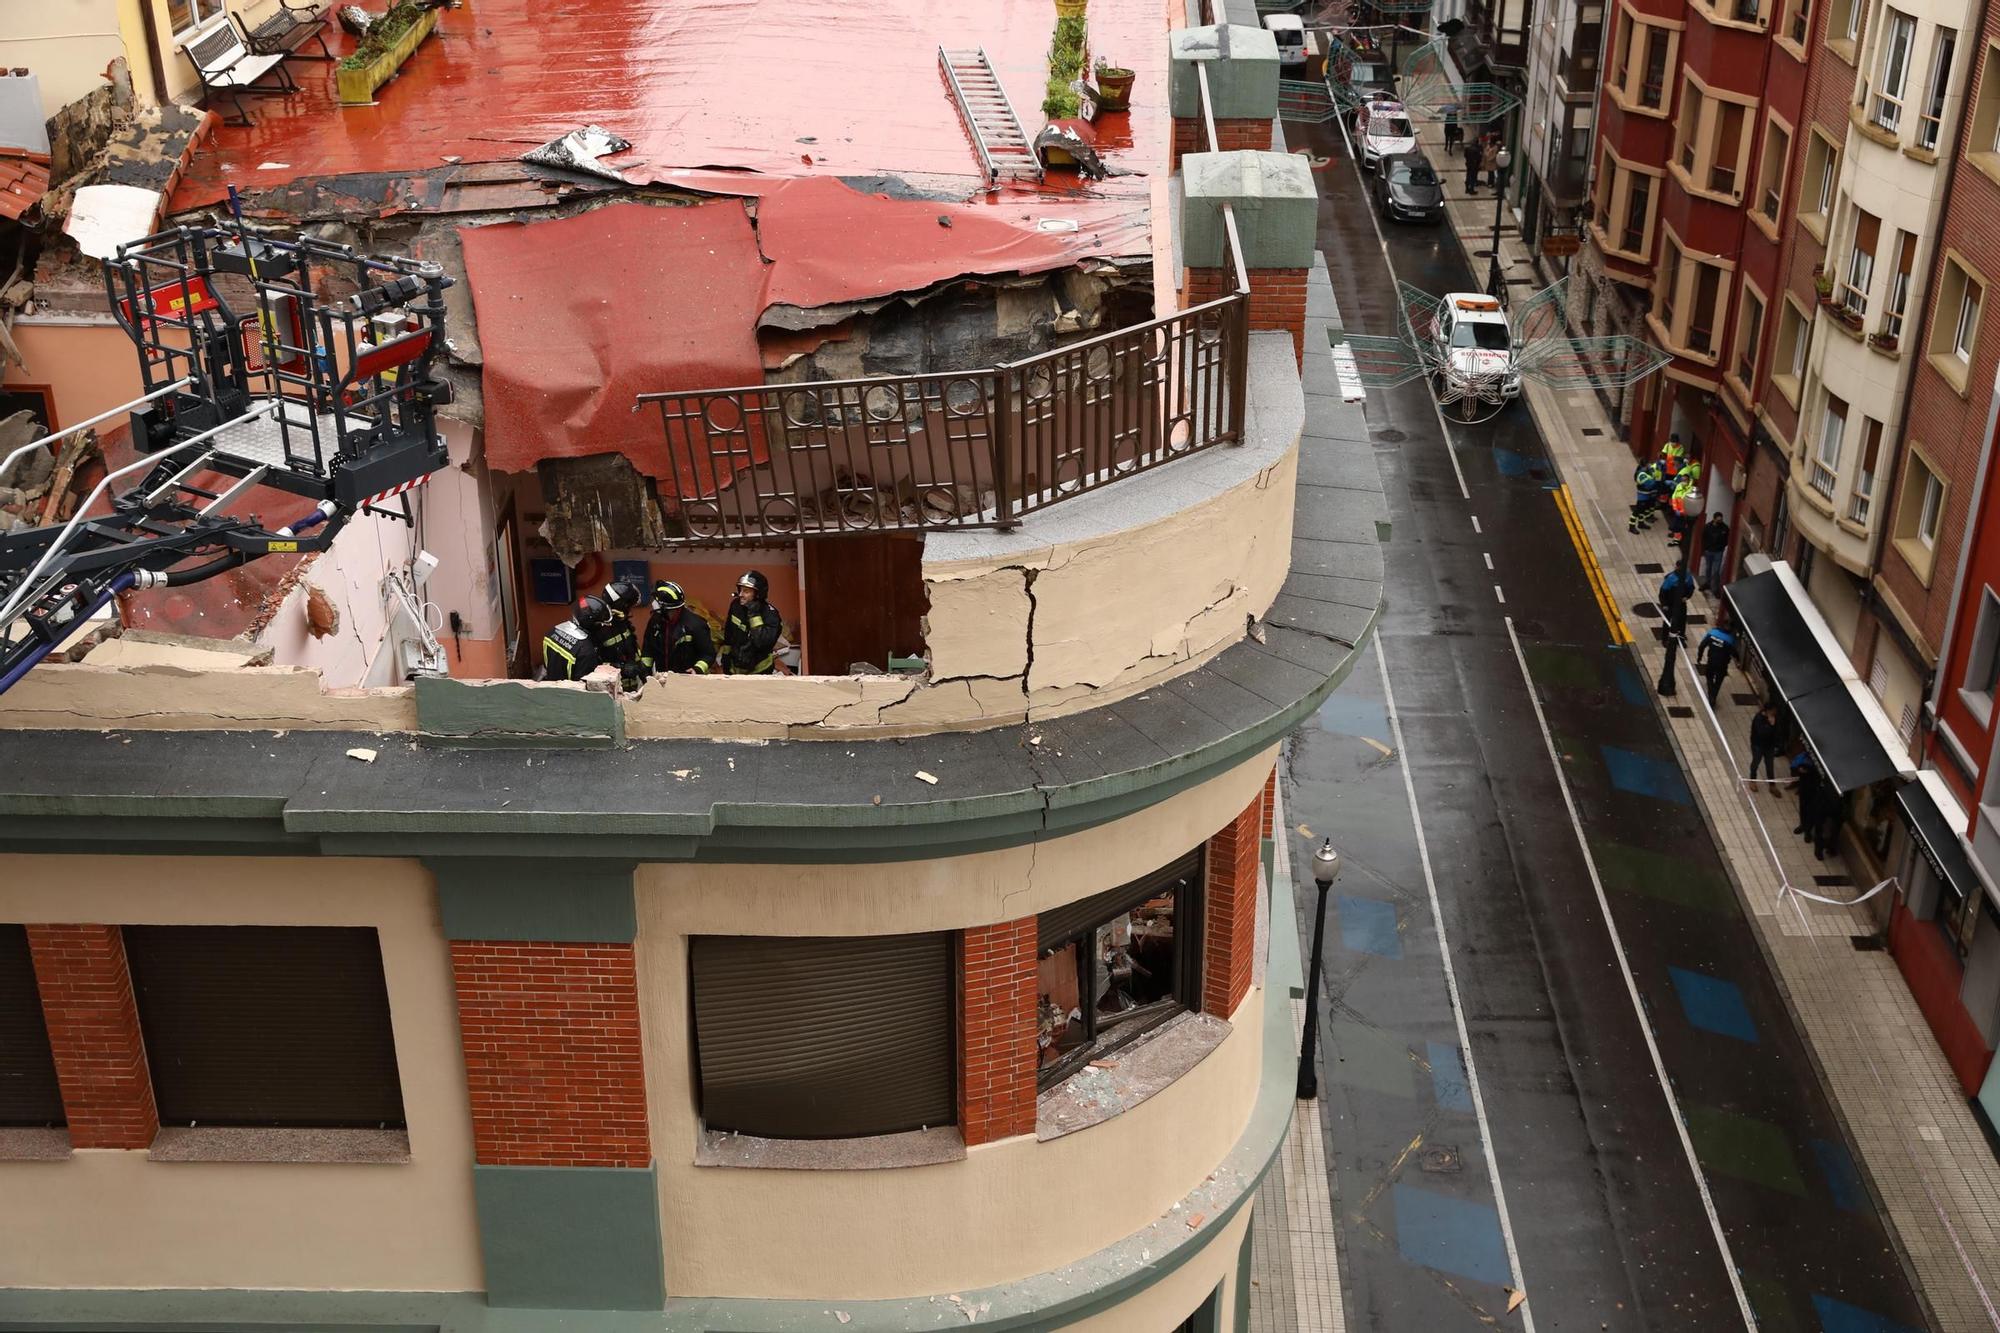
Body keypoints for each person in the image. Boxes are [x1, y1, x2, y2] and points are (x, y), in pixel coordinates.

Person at [640, 579, 715, 675]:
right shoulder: (655, 622)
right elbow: (648, 649)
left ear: (667, 609)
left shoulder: (696, 625)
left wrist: (697, 669)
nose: (653, 606)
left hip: (687, 681)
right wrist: (645, 670)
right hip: (663, 679)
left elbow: (708, 654)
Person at [540, 593, 618, 683]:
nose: (604, 628)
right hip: (569, 694)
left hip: (550, 687)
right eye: (602, 624)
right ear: (590, 623)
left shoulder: (553, 632)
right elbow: (584, 687)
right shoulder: (586, 651)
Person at [722, 569, 783, 675]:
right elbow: (729, 633)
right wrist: (726, 657)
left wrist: (754, 614)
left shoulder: (770, 614)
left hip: (760, 669)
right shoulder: (736, 605)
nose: (740, 594)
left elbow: (761, 642)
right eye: (740, 590)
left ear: (758, 594)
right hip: (736, 668)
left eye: (746, 591)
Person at [1695, 620, 1738, 706]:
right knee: (1718, 681)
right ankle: (1713, 696)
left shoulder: (1713, 633)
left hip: (1712, 661)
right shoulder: (1730, 639)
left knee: (1709, 677)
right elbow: (1734, 652)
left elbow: (1702, 645)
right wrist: (1738, 660)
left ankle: (1711, 696)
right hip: (1723, 664)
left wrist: (1699, 657)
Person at [1658, 559, 1694, 644]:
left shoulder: (1688, 577)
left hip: (1681, 603)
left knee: (1681, 621)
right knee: (1667, 621)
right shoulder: (1670, 578)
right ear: (1677, 567)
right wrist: (1664, 604)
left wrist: (1687, 597)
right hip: (1670, 604)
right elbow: (1663, 592)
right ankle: (1665, 639)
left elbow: (1691, 588)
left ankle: (1680, 639)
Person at [1749, 703, 1784, 787]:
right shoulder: (1759, 719)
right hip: (1758, 745)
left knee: (1770, 765)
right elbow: (1762, 733)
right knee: (1756, 762)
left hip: (1769, 746)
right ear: (1768, 710)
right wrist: (1771, 725)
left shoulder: (1774, 718)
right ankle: (1752, 780)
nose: (1775, 712)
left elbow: (1777, 732)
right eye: (1773, 710)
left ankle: (1772, 785)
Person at [1629, 458, 1666, 533]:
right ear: (1645, 465)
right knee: (1637, 511)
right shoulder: (1641, 474)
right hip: (1642, 496)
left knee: (1643, 510)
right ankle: (1631, 526)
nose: (1650, 465)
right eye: (1648, 464)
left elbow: (1655, 476)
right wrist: (1656, 480)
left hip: (1648, 495)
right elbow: (1649, 484)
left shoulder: (1648, 471)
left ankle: (1641, 523)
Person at [1699, 511, 1730, 593]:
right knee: (1708, 568)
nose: (1720, 522)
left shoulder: (1725, 528)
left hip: (1718, 552)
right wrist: (1705, 548)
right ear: (1714, 519)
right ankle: (1707, 583)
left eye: (1721, 520)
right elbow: (1703, 538)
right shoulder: (1708, 527)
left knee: (1716, 571)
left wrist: (1721, 547)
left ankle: (1715, 588)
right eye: (1718, 520)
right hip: (1709, 551)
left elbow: (1726, 540)